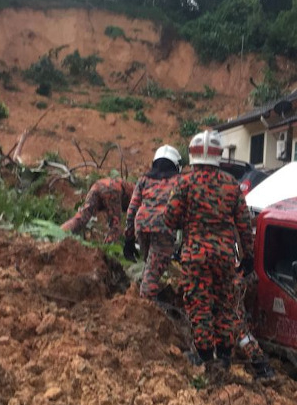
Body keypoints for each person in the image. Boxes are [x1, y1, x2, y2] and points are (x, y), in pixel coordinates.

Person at [163, 130, 256, 375]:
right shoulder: (231, 184)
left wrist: (188, 219)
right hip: (225, 257)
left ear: (192, 155)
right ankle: (224, 357)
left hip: (195, 256)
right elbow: (245, 225)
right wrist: (248, 256)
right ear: (219, 154)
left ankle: (205, 357)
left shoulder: (184, 182)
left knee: (199, 305)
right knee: (225, 305)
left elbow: (169, 219)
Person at [123, 145, 181, 299]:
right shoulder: (179, 180)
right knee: (154, 270)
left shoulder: (144, 179)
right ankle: (146, 304)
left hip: (141, 226)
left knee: (151, 265)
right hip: (163, 227)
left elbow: (132, 208)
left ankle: (143, 293)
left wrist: (128, 238)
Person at [60, 177, 135, 243]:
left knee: (83, 216)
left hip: (98, 185)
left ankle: (59, 233)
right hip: (113, 189)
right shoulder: (139, 194)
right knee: (115, 226)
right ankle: (108, 252)